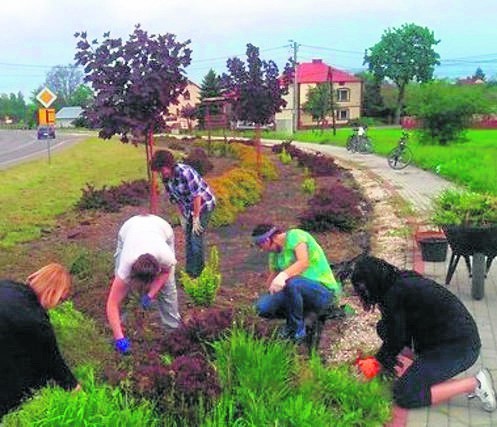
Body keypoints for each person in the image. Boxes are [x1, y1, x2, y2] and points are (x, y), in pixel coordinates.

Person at [350, 254, 496, 412]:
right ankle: (424, 371)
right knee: (383, 327)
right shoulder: (400, 281)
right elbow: (394, 332)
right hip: (447, 340)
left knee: (405, 394)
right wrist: (384, 358)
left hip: (460, 348)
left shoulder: (394, 295)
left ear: (372, 283)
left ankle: (476, 383)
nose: (362, 295)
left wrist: (377, 361)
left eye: (362, 289)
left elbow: (397, 339)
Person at [0, 263, 81, 418]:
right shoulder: (36, 322)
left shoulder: (8, 286)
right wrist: (77, 391)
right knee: (31, 375)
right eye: (61, 300)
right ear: (54, 294)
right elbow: (54, 363)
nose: (58, 305)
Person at [252, 224, 341, 343]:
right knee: (262, 307)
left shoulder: (296, 236)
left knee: (292, 283)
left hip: (322, 291)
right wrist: (268, 293)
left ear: (267, 240)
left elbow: (303, 262)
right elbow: (274, 276)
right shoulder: (274, 254)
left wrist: (283, 275)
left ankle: (295, 331)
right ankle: (301, 314)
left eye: (260, 245)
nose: (261, 249)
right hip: (296, 291)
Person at [106, 214, 181, 355]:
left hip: (161, 228)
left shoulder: (166, 257)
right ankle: (120, 329)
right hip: (129, 228)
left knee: (168, 288)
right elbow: (111, 303)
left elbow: (165, 273)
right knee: (120, 293)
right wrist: (119, 339)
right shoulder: (126, 268)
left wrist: (151, 294)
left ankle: (174, 333)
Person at [151, 149, 216, 278]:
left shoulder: (185, 173)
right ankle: (190, 272)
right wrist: (182, 217)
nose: (162, 173)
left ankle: (199, 274)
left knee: (195, 239)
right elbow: (176, 199)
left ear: (170, 165)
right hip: (189, 209)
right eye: (160, 171)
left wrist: (196, 218)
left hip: (204, 205)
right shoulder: (166, 179)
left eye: (163, 169)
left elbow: (197, 196)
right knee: (188, 240)